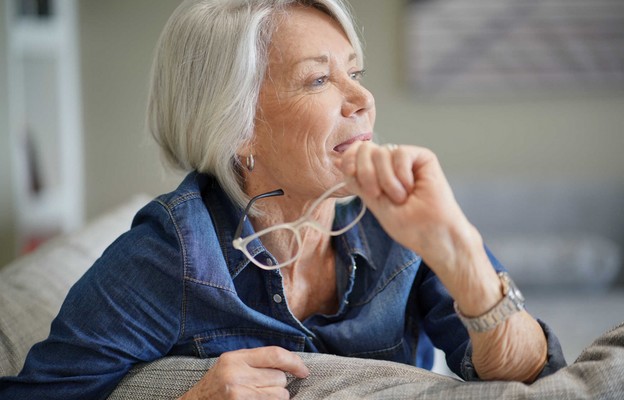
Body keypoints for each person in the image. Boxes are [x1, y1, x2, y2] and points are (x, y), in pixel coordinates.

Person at [0, 0, 566, 399]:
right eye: (319, 80)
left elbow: (537, 375)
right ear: (237, 127)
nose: (364, 99)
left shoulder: (397, 223)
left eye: (355, 73)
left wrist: (458, 247)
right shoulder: (170, 253)